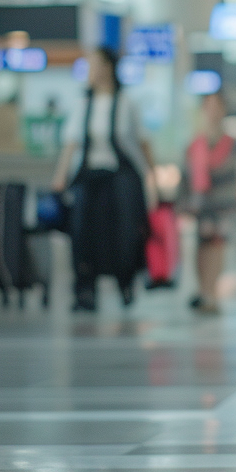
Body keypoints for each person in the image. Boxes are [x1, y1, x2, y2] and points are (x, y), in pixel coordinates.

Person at [51, 47, 154, 312]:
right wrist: (60, 177)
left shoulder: (126, 103)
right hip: (89, 177)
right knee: (82, 232)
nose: (92, 71)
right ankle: (85, 290)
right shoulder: (83, 104)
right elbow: (71, 144)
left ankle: (125, 282)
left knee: (124, 233)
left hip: (120, 177)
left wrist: (153, 174)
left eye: (96, 65)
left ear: (108, 67)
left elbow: (142, 143)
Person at [185, 92, 236, 315]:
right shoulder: (196, 142)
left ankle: (212, 293)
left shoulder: (232, 143)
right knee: (201, 247)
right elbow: (187, 174)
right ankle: (202, 290)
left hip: (223, 204)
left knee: (217, 247)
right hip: (200, 203)